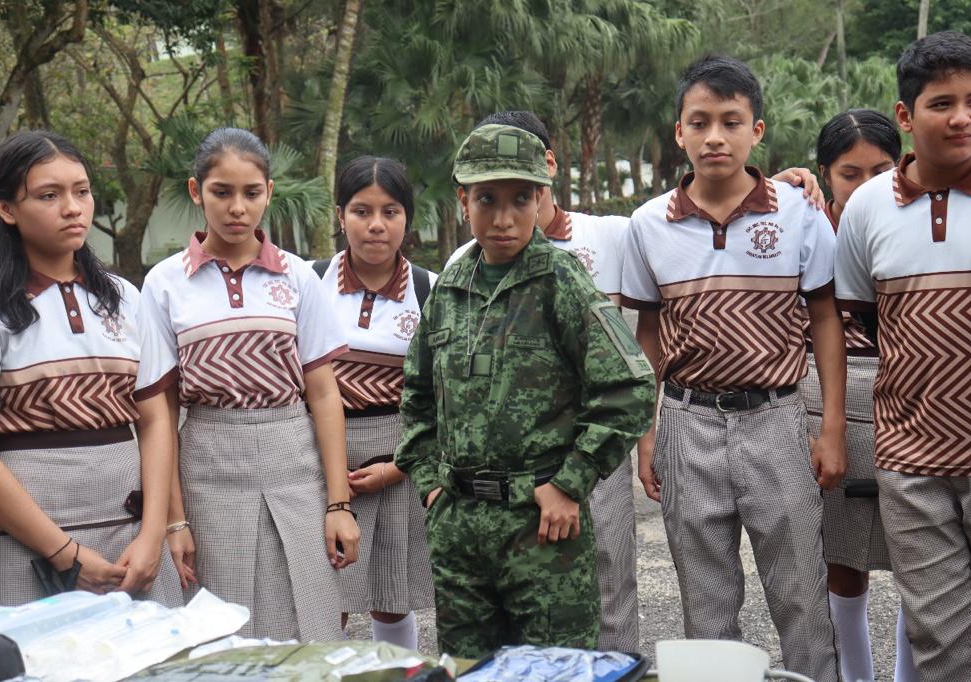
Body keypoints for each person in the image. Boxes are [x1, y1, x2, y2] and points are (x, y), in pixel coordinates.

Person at [444, 110, 824, 653]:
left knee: (609, 587)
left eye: (520, 183)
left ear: (547, 167)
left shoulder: (617, 234)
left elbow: (692, 236)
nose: (504, 206)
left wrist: (785, 184)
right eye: (488, 189)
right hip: (508, 467)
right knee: (512, 606)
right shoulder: (466, 262)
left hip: (592, 455)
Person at [622, 55, 845, 681]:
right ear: (679, 133)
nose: (714, 136)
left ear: (757, 130)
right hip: (686, 421)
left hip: (776, 419)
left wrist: (829, 426)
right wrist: (648, 433)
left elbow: (824, 316)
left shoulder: (799, 213)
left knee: (801, 593)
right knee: (707, 600)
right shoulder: (648, 224)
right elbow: (647, 333)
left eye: (730, 121)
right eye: (700, 122)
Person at [395, 123, 655, 659]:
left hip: (542, 530)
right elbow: (418, 393)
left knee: (552, 671)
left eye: (521, 198)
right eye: (487, 199)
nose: (504, 217)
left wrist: (570, 483)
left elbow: (630, 387)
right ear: (464, 200)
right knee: (467, 671)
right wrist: (429, 484)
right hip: (461, 529)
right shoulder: (451, 285)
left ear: (541, 197)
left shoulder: (560, 280)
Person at [136, 127, 360, 641]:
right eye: (222, 192)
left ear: (269, 193)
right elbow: (160, 412)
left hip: (295, 468)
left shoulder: (299, 277)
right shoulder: (165, 283)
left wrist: (339, 504)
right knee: (221, 629)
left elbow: (324, 395)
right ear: (197, 192)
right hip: (207, 470)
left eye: (251, 193)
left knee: (310, 623)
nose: (238, 208)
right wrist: (174, 520)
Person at [834, 31, 971, 681]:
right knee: (936, 644)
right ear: (906, 116)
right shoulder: (868, 209)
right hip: (913, 464)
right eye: (941, 103)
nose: (962, 117)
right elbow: (859, 323)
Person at [0, 130, 181, 610]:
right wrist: (64, 553)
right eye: (50, 195)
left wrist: (153, 535)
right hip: (28, 538)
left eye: (82, 191)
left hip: (131, 535)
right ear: (7, 209)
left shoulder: (124, 298)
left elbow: (153, 420)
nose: (73, 208)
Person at [798, 109, 916, 682]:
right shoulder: (807, 226)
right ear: (824, 174)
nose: (865, 185)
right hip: (832, 415)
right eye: (849, 173)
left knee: (924, 568)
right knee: (842, 564)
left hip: (917, 411)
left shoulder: (919, 220)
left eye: (880, 169)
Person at [319, 156, 435, 649]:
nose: (376, 225)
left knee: (392, 592)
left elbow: (440, 392)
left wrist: (400, 465)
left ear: (407, 219)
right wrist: (331, 468)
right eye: (361, 211)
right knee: (329, 594)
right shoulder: (310, 282)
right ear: (340, 215)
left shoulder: (430, 289)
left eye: (390, 211)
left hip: (400, 452)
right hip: (326, 454)